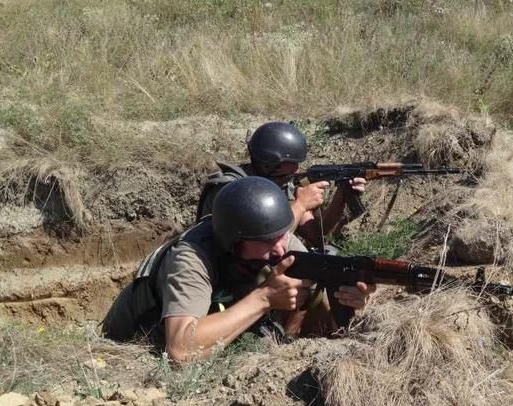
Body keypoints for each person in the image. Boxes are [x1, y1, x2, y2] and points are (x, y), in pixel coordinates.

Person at [101, 177, 375, 362]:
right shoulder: (192, 257)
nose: (281, 248)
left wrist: (347, 299)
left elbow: (318, 306)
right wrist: (264, 298)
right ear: (234, 241)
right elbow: (180, 350)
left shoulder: (280, 241)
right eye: (267, 241)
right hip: (133, 336)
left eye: (283, 234)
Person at [196, 121, 366, 247]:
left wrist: (340, 196)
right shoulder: (231, 190)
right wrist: (300, 205)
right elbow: (264, 244)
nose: (296, 168)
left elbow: (317, 236)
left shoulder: (280, 184)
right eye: (290, 163)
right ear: (268, 163)